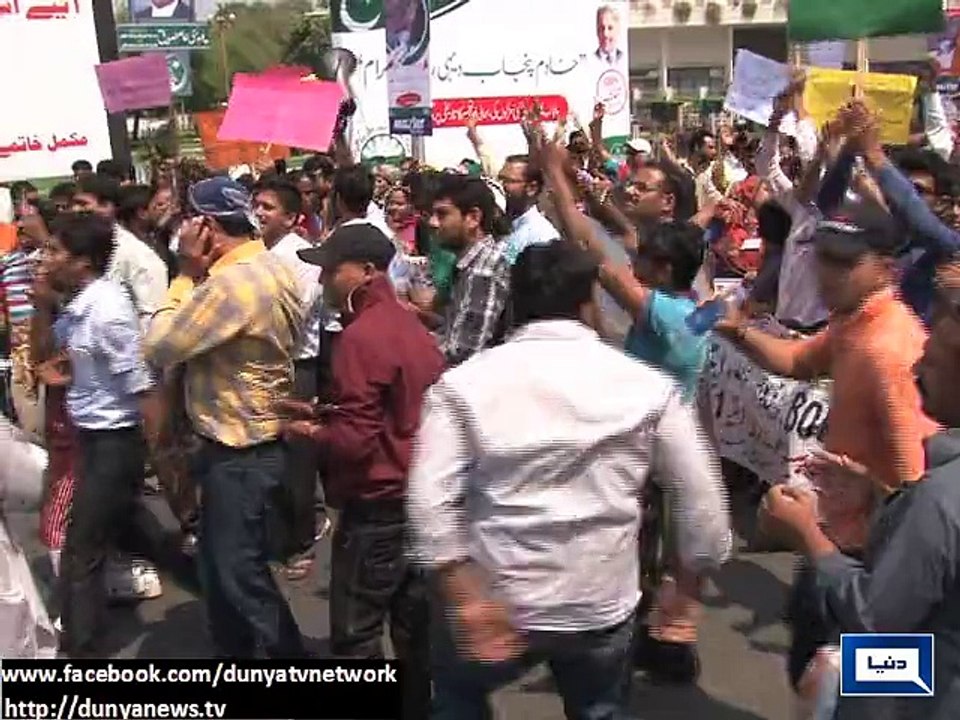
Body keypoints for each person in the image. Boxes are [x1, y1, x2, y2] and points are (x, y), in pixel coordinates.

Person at [408, 241, 731, 719]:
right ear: (587, 304)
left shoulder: (463, 386)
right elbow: (701, 498)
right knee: (599, 709)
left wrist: (461, 592)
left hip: (496, 593)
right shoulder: (644, 387)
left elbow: (428, 499)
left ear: (515, 303)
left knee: (459, 703)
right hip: (598, 599)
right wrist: (687, 585)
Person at [714, 202, 939, 699]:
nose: (826, 273)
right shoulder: (852, 322)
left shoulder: (887, 349)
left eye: (843, 262)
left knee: (860, 687)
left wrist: (828, 532)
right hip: (839, 540)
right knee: (825, 675)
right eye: (823, 257)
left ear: (887, 269)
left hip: (868, 560)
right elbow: (798, 360)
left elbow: (918, 483)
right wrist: (736, 329)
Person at [760, 261, 960, 720]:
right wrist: (882, 497)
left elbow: (874, 620)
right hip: (936, 668)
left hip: (925, 692)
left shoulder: (941, 497)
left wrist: (809, 537)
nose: (917, 366)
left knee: (825, 676)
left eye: (933, 361)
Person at [143, 177, 306, 658]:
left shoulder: (232, 285)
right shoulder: (268, 265)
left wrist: (183, 275)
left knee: (239, 573)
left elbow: (159, 345)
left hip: (240, 450)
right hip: (241, 443)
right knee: (219, 568)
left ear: (207, 227)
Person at [287, 223, 443, 718]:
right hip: (418, 500)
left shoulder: (361, 338)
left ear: (367, 271)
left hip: (377, 506)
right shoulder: (410, 328)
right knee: (414, 634)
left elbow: (355, 442)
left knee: (355, 638)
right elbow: (393, 411)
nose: (323, 281)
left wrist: (310, 434)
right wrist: (322, 413)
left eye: (332, 271)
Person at [30, 212, 161, 658]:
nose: (45, 258)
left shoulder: (107, 311)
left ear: (82, 261)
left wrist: (156, 453)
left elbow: (142, 385)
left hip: (114, 444)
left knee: (82, 551)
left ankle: (83, 653)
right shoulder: (80, 304)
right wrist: (42, 306)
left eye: (55, 251)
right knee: (91, 545)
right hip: (90, 439)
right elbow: (48, 353)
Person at [253, 177, 331, 581]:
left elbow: (293, 315)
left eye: (268, 207)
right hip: (267, 364)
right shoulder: (258, 254)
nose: (259, 213)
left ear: (291, 217)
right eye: (257, 205)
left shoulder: (301, 257)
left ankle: (301, 539)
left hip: (296, 364)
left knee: (295, 458)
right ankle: (283, 531)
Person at [429, 174, 512, 366]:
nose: (433, 223)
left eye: (442, 214)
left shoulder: (484, 270)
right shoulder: (470, 264)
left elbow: (465, 351)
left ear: (473, 218)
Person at [72, 174, 168, 333]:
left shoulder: (139, 258)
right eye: (74, 204)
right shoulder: (76, 249)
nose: (75, 210)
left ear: (107, 207)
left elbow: (152, 322)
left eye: (82, 204)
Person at [498, 154, 559, 265]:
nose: (501, 186)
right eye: (500, 179)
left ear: (532, 188)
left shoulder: (541, 236)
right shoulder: (499, 224)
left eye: (508, 181)